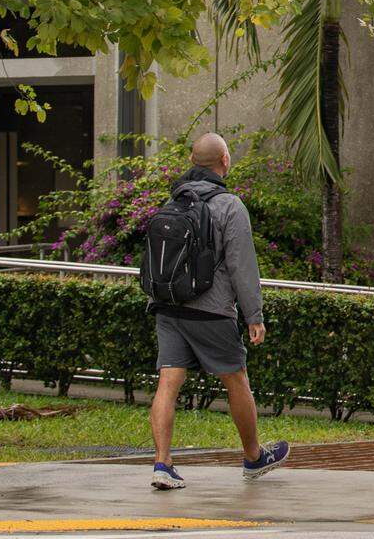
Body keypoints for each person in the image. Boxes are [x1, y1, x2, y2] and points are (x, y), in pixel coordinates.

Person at [148, 132, 290, 490]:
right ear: (224, 162)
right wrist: (254, 316)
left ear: (193, 162)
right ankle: (254, 457)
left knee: (168, 382)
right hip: (212, 312)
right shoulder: (230, 205)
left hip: (168, 306)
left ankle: (162, 464)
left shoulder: (174, 199)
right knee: (236, 380)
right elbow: (243, 267)